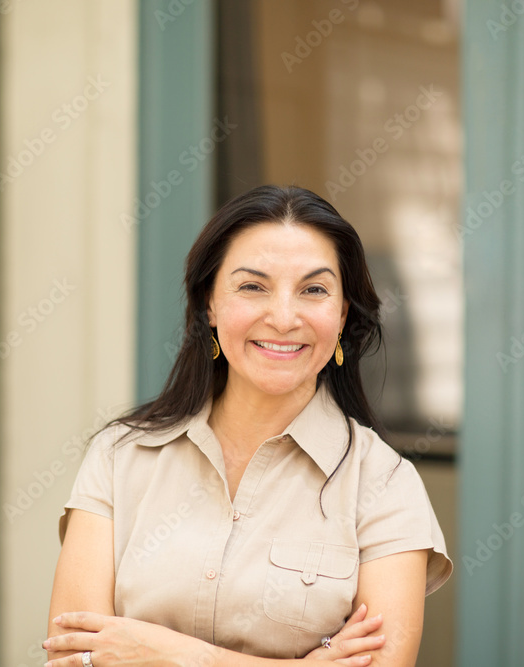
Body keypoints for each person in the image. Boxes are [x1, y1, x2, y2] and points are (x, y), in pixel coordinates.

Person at [43, 185, 453, 666]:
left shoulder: (385, 486)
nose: (283, 318)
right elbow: (73, 657)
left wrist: (166, 654)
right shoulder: (119, 458)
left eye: (314, 290)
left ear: (342, 314)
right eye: (252, 286)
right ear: (210, 305)